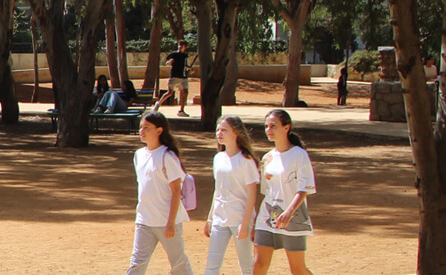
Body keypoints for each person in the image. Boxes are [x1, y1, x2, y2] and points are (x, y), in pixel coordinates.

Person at [126, 112, 194, 275]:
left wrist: (171, 223)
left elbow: (176, 190)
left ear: (159, 130)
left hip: (166, 221)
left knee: (179, 264)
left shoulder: (167, 156)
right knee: (137, 262)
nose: (142, 131)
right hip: (145, 219)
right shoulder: (139, 155)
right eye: (141, 127)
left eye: (147, 128)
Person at [253, 110, 317, 275]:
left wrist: (289, 212)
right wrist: (256, 220)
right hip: (267, 217)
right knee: (258, 265)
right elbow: (265, 191)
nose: (269, 130)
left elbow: (304, 188)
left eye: (273, 126)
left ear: (287, 127)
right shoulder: (267, 158)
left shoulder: (299, 155)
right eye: (266, 126)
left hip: (293, 217)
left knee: (297, 269)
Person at [205, 116, 261, 275]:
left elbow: (252, 193)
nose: (219, 133)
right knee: (212, 264)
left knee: (246, 265)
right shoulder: (218, 158)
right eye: (217, 130)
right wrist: (210, 218)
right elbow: (218, 189)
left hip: (239, 218)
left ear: (236, 132)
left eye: (224, 130)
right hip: (220, 218)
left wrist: (246, 223)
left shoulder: (246, 160)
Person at [167, 41, 193, 117]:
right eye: (179, 45)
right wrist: (169, 62)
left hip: (183, 77)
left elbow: (185, 64)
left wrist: (190, 68)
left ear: (185, 47)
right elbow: (169, 61)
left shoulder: (185, 55)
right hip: (174, 76)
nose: (180, 47)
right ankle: (158, 105)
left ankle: (181, 110)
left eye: (182, 46)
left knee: (185, 92)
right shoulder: (174, 54)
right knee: (169, 93)